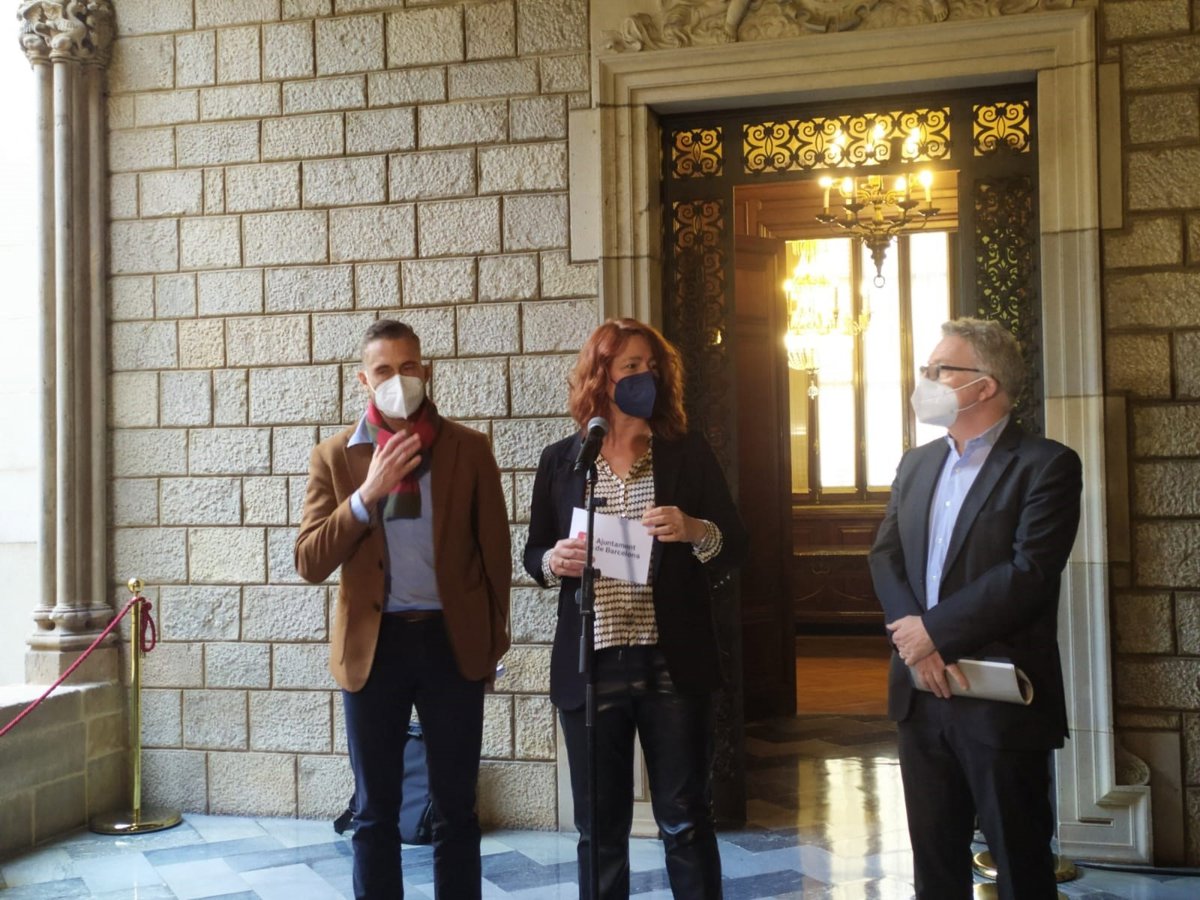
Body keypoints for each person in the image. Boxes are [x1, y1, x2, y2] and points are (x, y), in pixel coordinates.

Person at [523, 318, 748, 899]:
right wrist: (554, 560)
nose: (644, 376)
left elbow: (734, 545)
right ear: (601, 377)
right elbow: (533, 553)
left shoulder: (685, 453)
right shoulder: (564, 461)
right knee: (599, 828)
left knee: (685, 818)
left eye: (652, 366)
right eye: (630, 367)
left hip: (672, 662)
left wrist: (695, 529)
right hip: (593, 665)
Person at [295, 319, 511, 900]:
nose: (398, 379)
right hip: (375, 648)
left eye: (408, 366)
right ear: (364, 380)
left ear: (426, 371)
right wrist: (367, 494)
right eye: (384, 370)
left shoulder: (468, 449)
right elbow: (310, 560)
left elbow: (494, 555)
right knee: (375, 812)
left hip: (451, 643)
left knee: (456, 810)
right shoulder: (335, 457)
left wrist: (493, 643)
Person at [868, 317, 1082, 900]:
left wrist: (933, 634)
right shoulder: (916, 463)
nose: (926, 380)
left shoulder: (1047, 465)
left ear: (984, 385)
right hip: (920, 691)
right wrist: (915, 642)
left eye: (940, 370)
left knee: (1019, 864)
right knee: (935, 864)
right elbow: (884, 555)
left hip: (999, 693)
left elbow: (1028, 574)